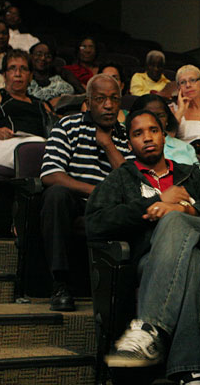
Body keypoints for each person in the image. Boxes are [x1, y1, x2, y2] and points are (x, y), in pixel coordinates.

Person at [85, 109, 200, 384]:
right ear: (129, 144)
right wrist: (154, 204)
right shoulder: (121, 179)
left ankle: (149, 328)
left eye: (153, 130)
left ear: (164, 137)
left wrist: (182, 209)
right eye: (138, 133)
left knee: (175, 220)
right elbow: (95, 222)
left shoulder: (192, 175)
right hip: (153, 258)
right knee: (193, 264)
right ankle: (191, 371)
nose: (147, 138)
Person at [40, 73, 134, 311]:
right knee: (56, 195)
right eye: (101, 99)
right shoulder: (68, 126)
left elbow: (132, 184)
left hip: (111, 207)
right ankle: (60, 283)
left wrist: (108, 145)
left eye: (114, 99)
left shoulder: (127, 135)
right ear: (89, 102)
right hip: (77, 201)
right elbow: (51, 174)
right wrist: (95, 191)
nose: (108, 105)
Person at [129, 94, 198, 166]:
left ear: (168, 118)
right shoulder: (132, 148)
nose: (155, 121)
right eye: (149, 116)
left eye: (161, 116)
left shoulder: (184, 147)